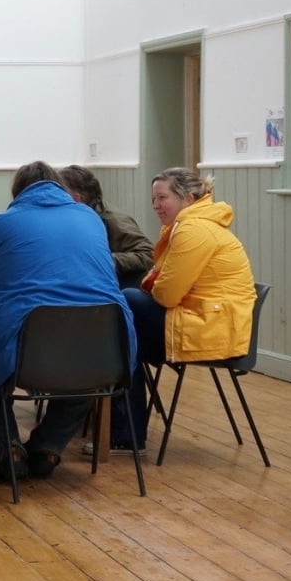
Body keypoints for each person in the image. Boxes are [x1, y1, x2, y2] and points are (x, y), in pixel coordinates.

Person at [0, 161, 135, 482]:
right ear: (61, 189)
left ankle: (7, 449)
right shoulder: (91, 219)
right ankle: (48, 445)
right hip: (106, 348)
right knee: (87, 369)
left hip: (25, 351)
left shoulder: (2, 224)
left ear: (18, 194)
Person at [91, 167, 255, 456]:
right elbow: (158, 282)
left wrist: (152, 286)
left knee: (124, 309)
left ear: (188, 198)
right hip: (205, 320)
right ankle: (123, 432)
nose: (155, 205)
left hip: (212, 330)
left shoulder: (194, 230)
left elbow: (165, 294)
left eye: (162, 198)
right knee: (124, 337)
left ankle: (123, 432)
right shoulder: (188, 226)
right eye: (154, 198)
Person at [59, 165, 154, 288]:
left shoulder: (114, 221)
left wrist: (105, 259)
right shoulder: (77, 216)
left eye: (60, 193)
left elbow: (148, 254)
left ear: (77, 198)